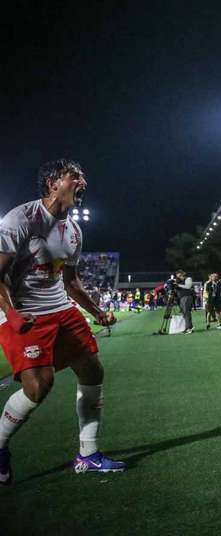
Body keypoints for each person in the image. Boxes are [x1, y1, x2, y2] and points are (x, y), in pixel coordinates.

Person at [0, 159, 125, 484]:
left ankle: (88, 454)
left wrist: (96, 311)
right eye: (75, 176)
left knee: (92, 370)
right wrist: (11, 314)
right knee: (38, 386)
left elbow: (70, 281)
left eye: (83, 177)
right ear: (53, 182)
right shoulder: (20, 219)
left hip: (60, 307)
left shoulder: (74, 231)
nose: (83, 182)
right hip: (22, 310)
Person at [174, 269, 195, 333]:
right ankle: (189, 327)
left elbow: (188, 286)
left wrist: (178, 285)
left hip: (187, 296)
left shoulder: (188, 278)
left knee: (186, 312)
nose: (179, 276)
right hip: (181, 298)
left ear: (183, 273)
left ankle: (188, 328)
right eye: (178, 275)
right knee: (184, 313)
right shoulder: (178, 281)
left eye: (180, 275)